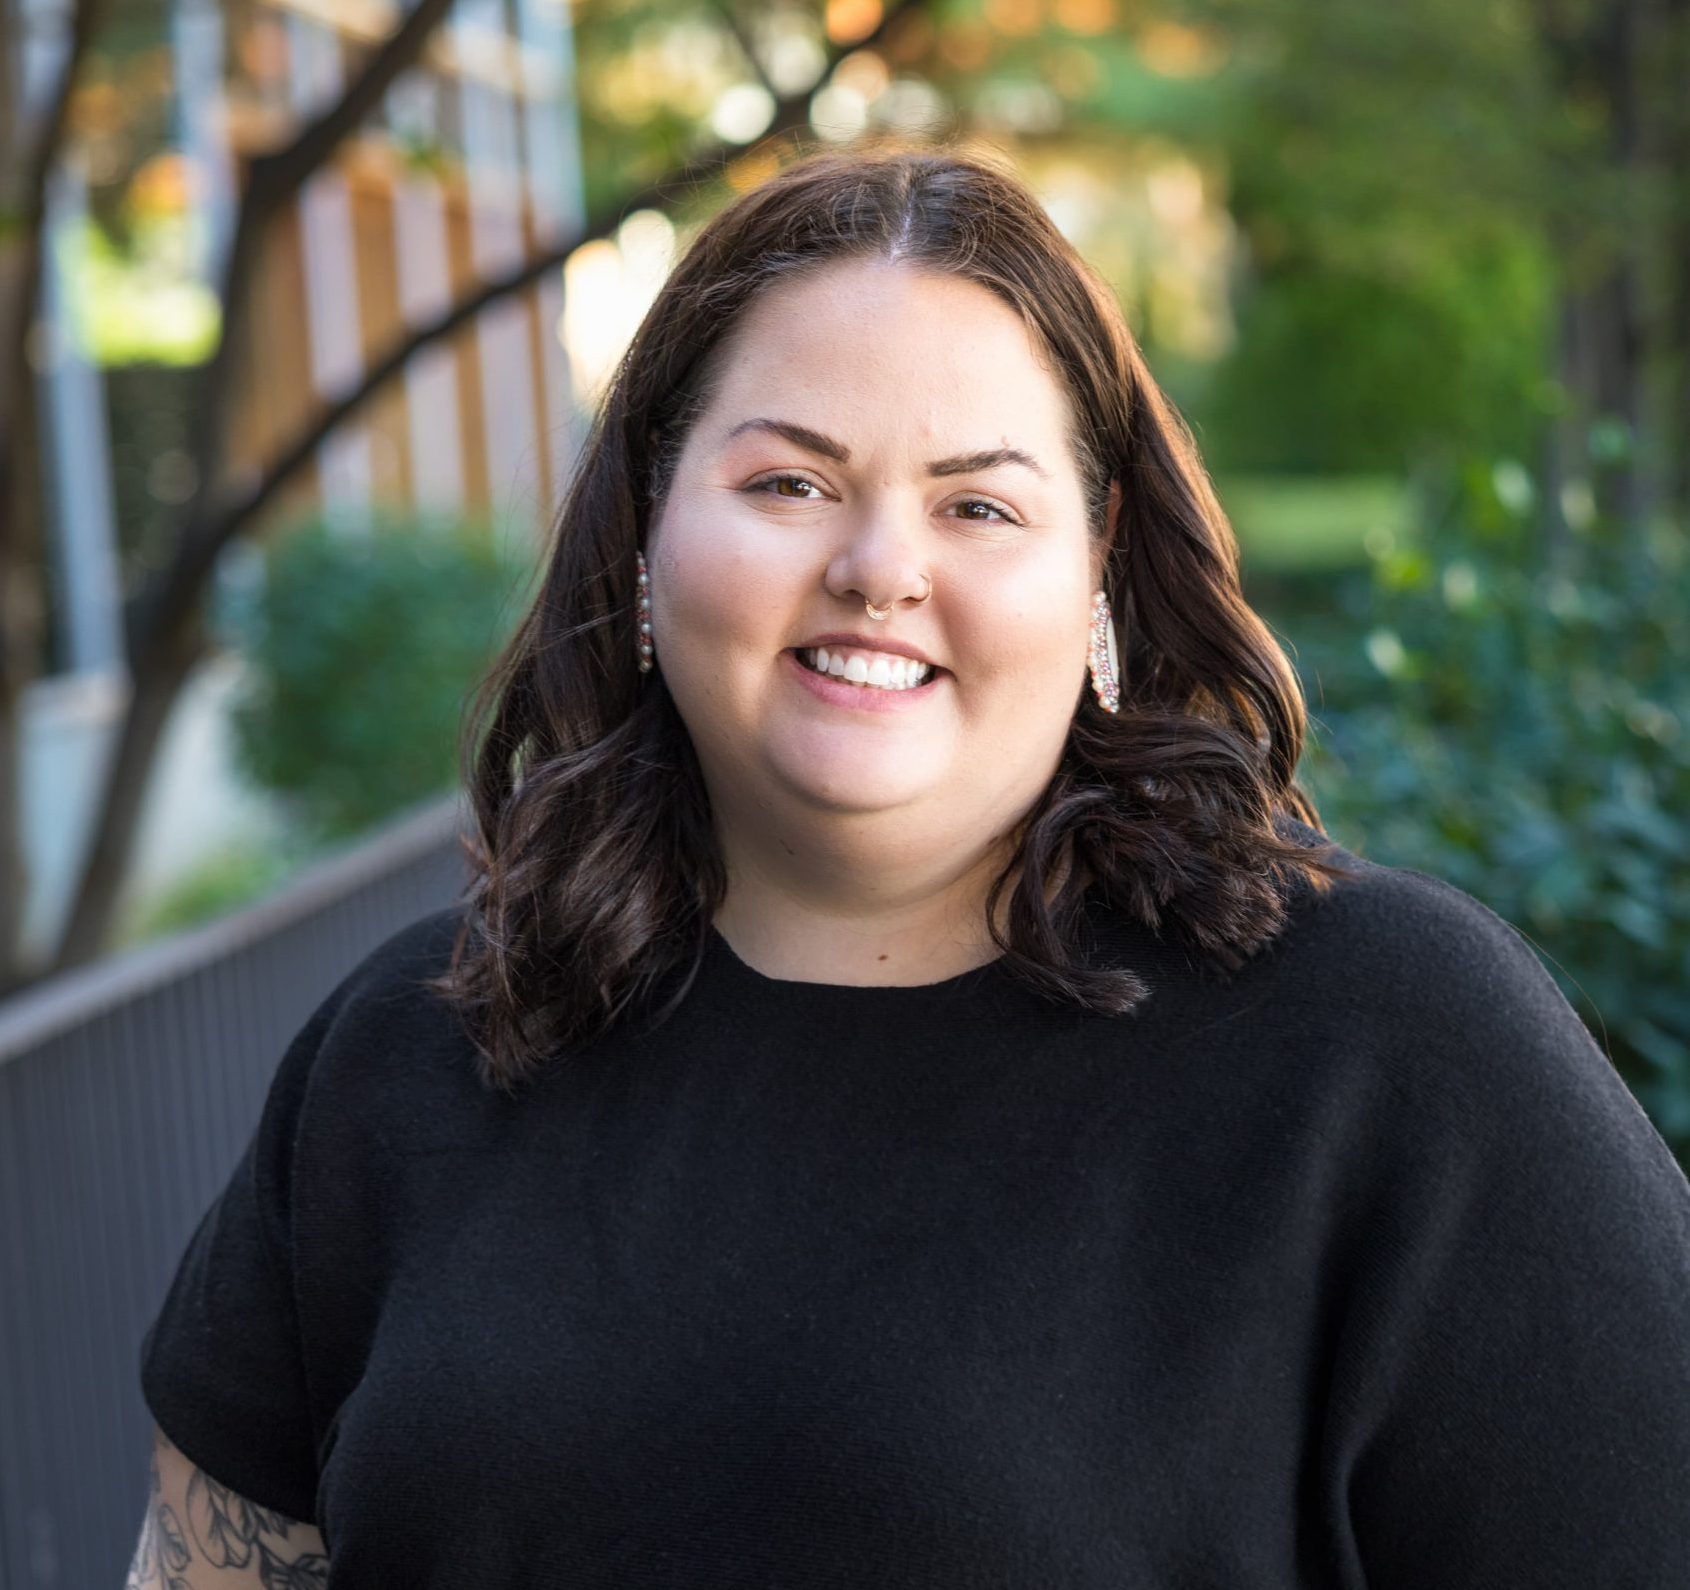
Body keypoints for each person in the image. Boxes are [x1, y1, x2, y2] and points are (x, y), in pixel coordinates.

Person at [131, 139, 1690, 1589]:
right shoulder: (409, 1049)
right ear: (643, 546)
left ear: (1097, 587)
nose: (879, 567)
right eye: (788, 482)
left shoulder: (1388, 1052)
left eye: (978, 503)